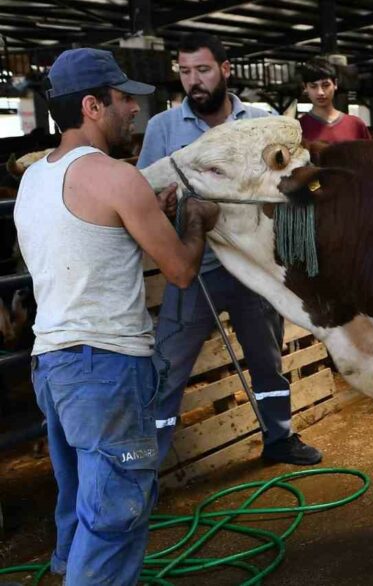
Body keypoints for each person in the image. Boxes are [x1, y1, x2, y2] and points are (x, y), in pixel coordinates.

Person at [14, 48, 218, 585]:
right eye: (124, 99)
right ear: (92, 106)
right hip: (106, 369)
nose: (133, 110)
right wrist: (195, 221)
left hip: (52, 365)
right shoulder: (116, 178)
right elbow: (180, 270)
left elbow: (87, 242)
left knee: (79, 502)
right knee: (114, 516)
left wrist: (149, 211)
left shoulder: (34, 179)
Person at [139, 33, 322, 466]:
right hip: (193, 268)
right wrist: (164, 207)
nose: (194, 81)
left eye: (203, 70)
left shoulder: (263, 123)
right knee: (168, 366)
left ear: (225, 69)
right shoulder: (163, 128)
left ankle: (279, 438)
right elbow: (142, 193)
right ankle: (148, 463)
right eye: (185, 72)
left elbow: (295, 187)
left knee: (267, 358)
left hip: (253, 266)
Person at [297, 57, 371, 143]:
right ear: (305, 88)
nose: (320, 92)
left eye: (326, 85)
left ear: (335, 84)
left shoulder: (356, 125)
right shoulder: (297, 128)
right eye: (313, 86)